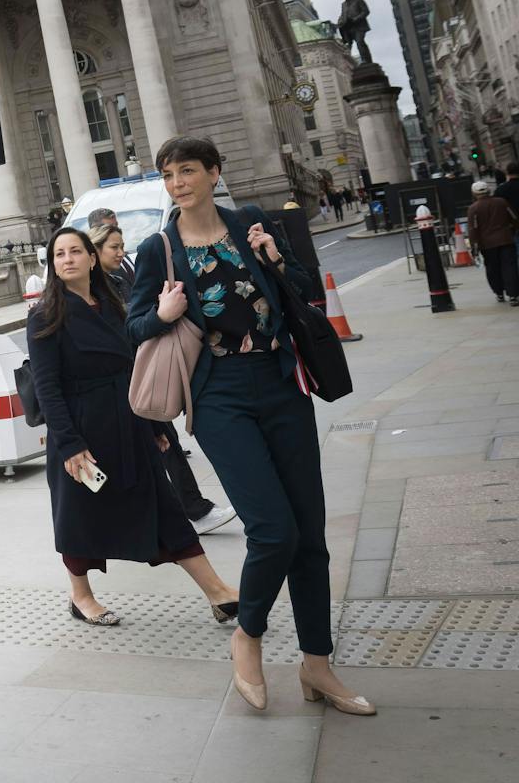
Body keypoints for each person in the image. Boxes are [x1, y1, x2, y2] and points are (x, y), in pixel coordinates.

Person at [128, 134, 375, 716]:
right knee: (273, 531)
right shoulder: (158, 248)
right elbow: (134, 325)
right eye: (168, 175)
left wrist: (275, 260)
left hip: (281, 384)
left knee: (310, 537)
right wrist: (159, 315)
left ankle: (317, 665)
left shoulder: (252, 224)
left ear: (215, 172)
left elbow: (306, 292)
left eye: (188, 170)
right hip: (218, 396)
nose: (178, 183)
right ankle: (249, 635)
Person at [28, 230, 240, 628]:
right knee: (79, 517)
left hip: (128, 424)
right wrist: (71, 444)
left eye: (76, 251)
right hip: (80, 433)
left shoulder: (112, 305)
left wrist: (156, 424)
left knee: (165, 508)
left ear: (92, 259)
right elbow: (46, 387)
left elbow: (134, 369)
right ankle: (81, 596)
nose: (67, 259)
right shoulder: (45, 314)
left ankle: (218, 593)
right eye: (59, 254)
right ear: (52, 264)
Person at [91, 222, 237, 536]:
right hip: (129, 378)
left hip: (137, 373)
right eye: (113, 247)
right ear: (97, 250)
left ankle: (165, 513)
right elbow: (126, 327)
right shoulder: (98, 288)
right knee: (160, 444)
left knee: (157, 445)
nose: (120, 252)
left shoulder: (120, 277)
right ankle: (193, 511)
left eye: (121, 246)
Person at [466, 181, 519, 304]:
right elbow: (514, 218)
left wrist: (474, 247)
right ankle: (513, 295)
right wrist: (513, 229)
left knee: (492, 268)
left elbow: (473, 229)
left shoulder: (473, 208)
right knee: (509, 267)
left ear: (474, 193)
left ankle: (499, 292)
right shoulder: (501, 202)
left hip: (487, 244)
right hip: (506, 239)